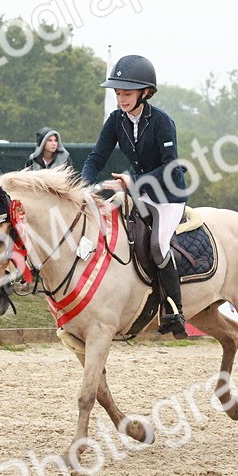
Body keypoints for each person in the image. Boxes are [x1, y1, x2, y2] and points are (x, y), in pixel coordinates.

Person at [81, 54, 190, 338]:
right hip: (138, 192)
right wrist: (83, 184)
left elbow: (170, 167)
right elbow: (97, 156)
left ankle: (174, 311)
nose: (121, 99)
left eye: (127, 93)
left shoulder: (162, 122)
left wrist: (132, 182)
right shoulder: (116, 120)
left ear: (145, 92)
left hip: (168, 196)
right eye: (118, 93)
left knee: (158, 245)